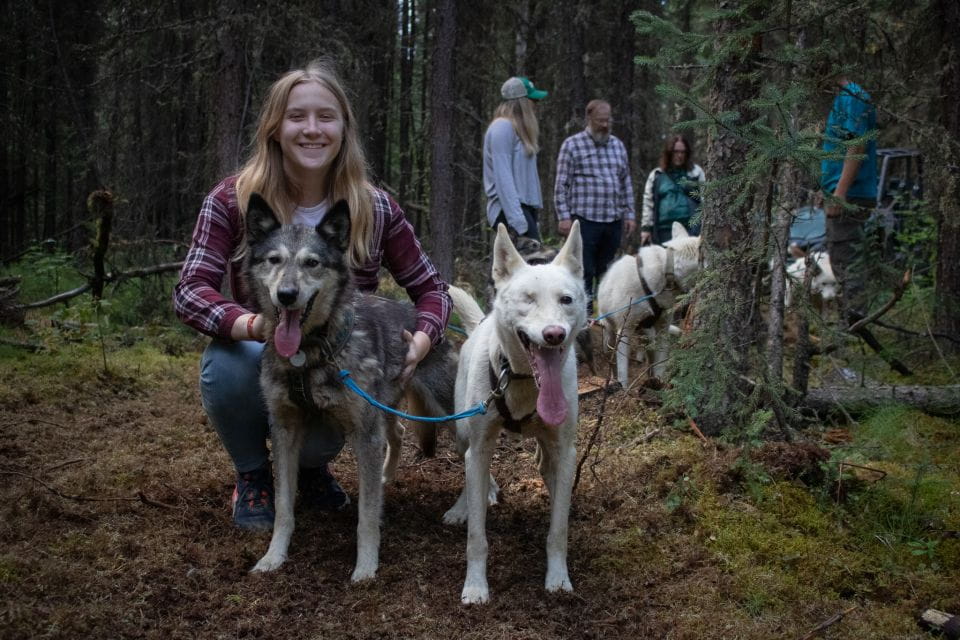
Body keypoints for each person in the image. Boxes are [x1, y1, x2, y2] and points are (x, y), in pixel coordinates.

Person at [173, 60, 451, 531]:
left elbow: (432, 289)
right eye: (297, 116)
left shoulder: (374, 208)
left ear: (344, 129)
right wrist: (251, 325)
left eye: (326, 116)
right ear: (274, 128)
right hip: (263, 350)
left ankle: (310, 468)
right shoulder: (232, 199)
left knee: (336, 402)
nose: (312, 129)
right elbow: (189, 291)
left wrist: (421, 341)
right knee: (226, 365)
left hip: (336, 358)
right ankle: (253, 475)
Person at [554, 99, 636, 306]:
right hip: (584, 220)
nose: (605, 125)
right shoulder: (572, 145)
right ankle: (586, 315)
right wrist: (563, 216)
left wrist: (630, 214)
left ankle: (607, 313)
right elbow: (561, 184)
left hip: (612, 220)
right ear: (589, 118)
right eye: (600, 120)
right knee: (585, 270)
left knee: (607, 271)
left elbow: (625, 182)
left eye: (608, 120)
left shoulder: (617, 145)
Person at [820, 75, 877, 321]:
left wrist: (840, 193)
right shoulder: (843, 98)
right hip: (843, 194)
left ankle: (854, 327)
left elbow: (857, 145)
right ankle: (850, 323)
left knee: (848, 266)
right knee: (840, 262)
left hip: (851, 196)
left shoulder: (853, 96)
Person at [483, 76, 548, 241]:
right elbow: (503, 178)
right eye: (533, 101)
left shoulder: (519, 132)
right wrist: (518, 222)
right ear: (522, 103)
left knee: (533, 255)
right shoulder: (502, 127)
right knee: (533, 256)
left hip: (522, 210)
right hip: (508, 211)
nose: (536, 106)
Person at [640, 135, 706, 245]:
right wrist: (646, 228)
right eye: (676, 152)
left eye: (683, 152)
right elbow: (648, 202)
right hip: (663, 230)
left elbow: (705, 199)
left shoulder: (696, 173)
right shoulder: (657, 175)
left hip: (690, 230)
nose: (679, 155)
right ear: (669, 152)